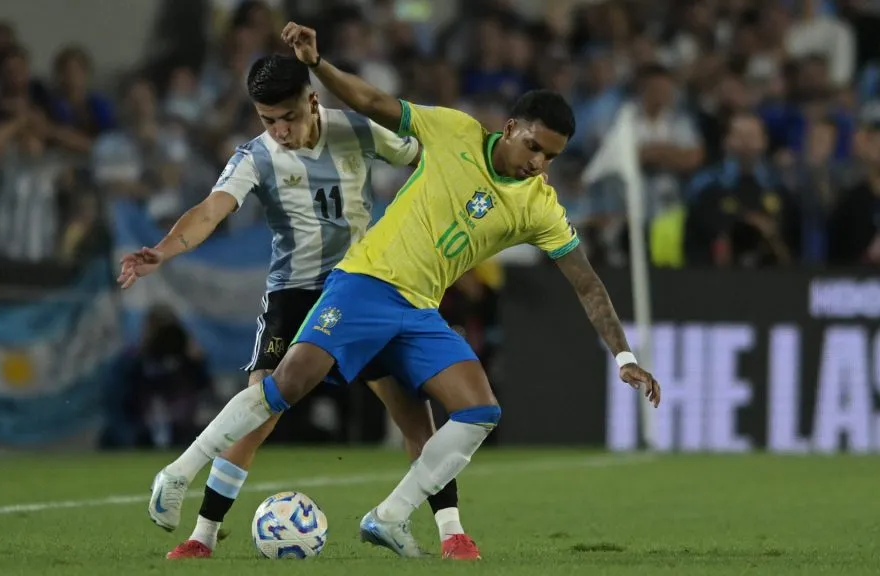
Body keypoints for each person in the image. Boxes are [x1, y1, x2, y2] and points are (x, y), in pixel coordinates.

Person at [143, 22, 663, 558]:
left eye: (549, 157)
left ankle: (392, 516)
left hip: (418, 310)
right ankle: (180, 475)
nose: (537, 163)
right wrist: (317, 63)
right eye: (533, 146)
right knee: (283, 388)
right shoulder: (452, 131)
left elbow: (588, 282)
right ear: (509, 128)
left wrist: (624, 355)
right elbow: (373, 100)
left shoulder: (539, 206)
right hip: (366, 282)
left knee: (478, 411)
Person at [118, 55, 480, 560]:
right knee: (257, 410)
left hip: (364, 286)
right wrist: (164, 249)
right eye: (268, 120)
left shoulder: (357, 130)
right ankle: (201, 536)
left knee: (413, 414)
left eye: (288, 117)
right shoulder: (255, 156)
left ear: (313, 101)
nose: (280, 130)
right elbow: (209, 211)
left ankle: (452, 533)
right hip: (296, 292)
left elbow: (427, 151)